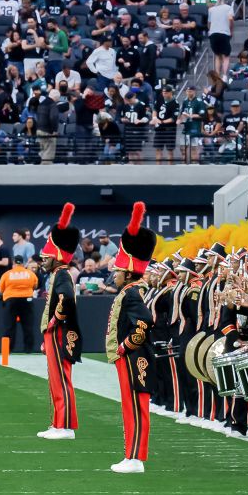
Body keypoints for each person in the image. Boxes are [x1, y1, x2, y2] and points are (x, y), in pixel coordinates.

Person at [107, 202, 157, 473]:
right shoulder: (131, 291)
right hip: (131, 358)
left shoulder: (132, 293)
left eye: (117, 271)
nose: (113, 275)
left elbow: (145, 323)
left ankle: (135, 458)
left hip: (134, 358)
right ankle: (131, 455)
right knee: (130, 407)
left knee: (136, 408)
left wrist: (125, 347)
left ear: (127, 272)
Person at [37, 203, 83, 441]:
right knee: (55, 379)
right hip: (54, 333)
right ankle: (58, 423)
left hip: (60, 333)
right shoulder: (57, 274)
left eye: (46, 256)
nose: (42, 260)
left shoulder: (62, 274)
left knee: (61, 379)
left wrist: (54, 323)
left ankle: (64, 426)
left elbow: (66, 302)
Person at [0, 255, 39, 354]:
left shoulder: (7, 274)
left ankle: (8, 349)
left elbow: (1, 289)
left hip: (11, 300)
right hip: (27, 300)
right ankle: (28, 349)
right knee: (28, 325)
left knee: (9, 326)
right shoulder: (30, 274)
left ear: (13, 263)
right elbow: (35, 286)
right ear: (22, 263)